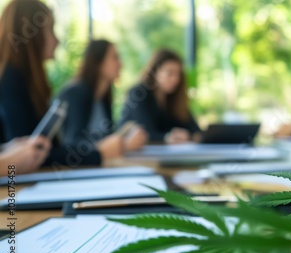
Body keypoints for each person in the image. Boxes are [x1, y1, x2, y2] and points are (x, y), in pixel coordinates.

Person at [0, 0, 116, 168]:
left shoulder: (29, 83)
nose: (57, 39)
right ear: (31, 34)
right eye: (50, 29)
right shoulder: (10, 79)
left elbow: (44, 149)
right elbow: (33, 155)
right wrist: (98, 154)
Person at [59, 40, 148, 152]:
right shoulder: (76, 93)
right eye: (115, 57)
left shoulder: (103, 98)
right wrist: (123, 145)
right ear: (98, 62)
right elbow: (72, 141)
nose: (120, 64)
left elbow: (105, 137)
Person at [120, 49, 200, 144]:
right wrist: (167, 137)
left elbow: (195, 129)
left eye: (178, 74)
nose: (175, 79)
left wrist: (190, 136)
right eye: (169, 73)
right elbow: (145, 132)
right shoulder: (138, 94)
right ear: (155, 72)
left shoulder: (174, 99)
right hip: (134, 156)